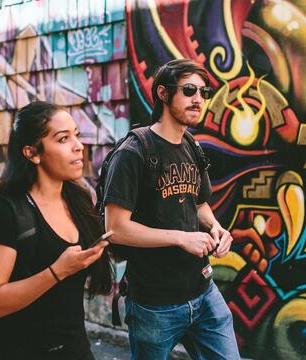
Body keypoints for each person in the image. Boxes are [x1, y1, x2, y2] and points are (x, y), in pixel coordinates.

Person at [103, 59, 240, 359]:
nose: (198, 99)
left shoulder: (191, 145)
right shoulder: (133, 153)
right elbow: (115, 229)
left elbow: (199, 202)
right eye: (189, 90)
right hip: (155, 304)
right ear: (163, 94)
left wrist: (216, 227)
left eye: (204, 92)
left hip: (203, 292)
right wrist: (181, 237)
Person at [0, 101, 113, 360]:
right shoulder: (6, 213)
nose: (78, 146)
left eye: (77, 135)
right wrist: (57, 271)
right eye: (63, 139)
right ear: (32, 153)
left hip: (75, 350)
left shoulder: (78, 199)